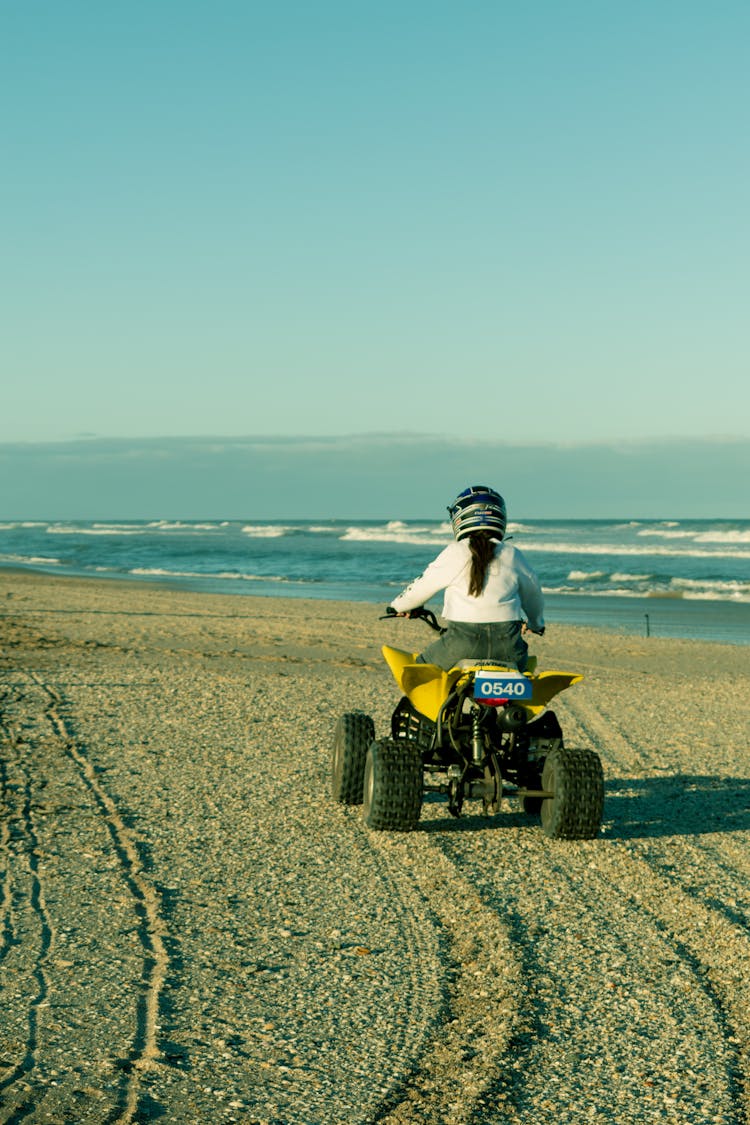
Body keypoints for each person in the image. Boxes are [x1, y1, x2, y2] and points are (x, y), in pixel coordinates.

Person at [388, 485, 545, 672]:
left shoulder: (456, 551)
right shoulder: (512, 553)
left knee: (420, 671)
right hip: (510, 649)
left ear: (459, 518)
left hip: (460, 646)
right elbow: (533, 594)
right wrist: (536, 624)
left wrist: (398, 606)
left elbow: (423, 586)